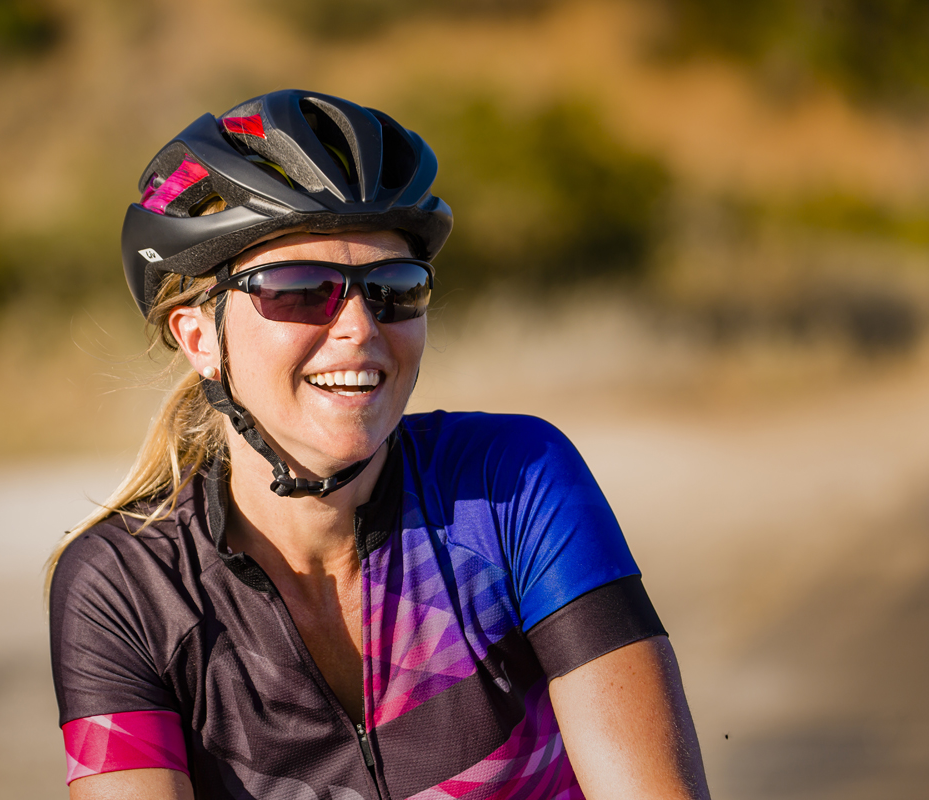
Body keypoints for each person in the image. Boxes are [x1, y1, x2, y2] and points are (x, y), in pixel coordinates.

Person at [47, 89, 710, 800]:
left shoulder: (512, 482)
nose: (361, 328)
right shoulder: (126, 587)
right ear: (200, 338)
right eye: (300, 289)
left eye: (394, 287)